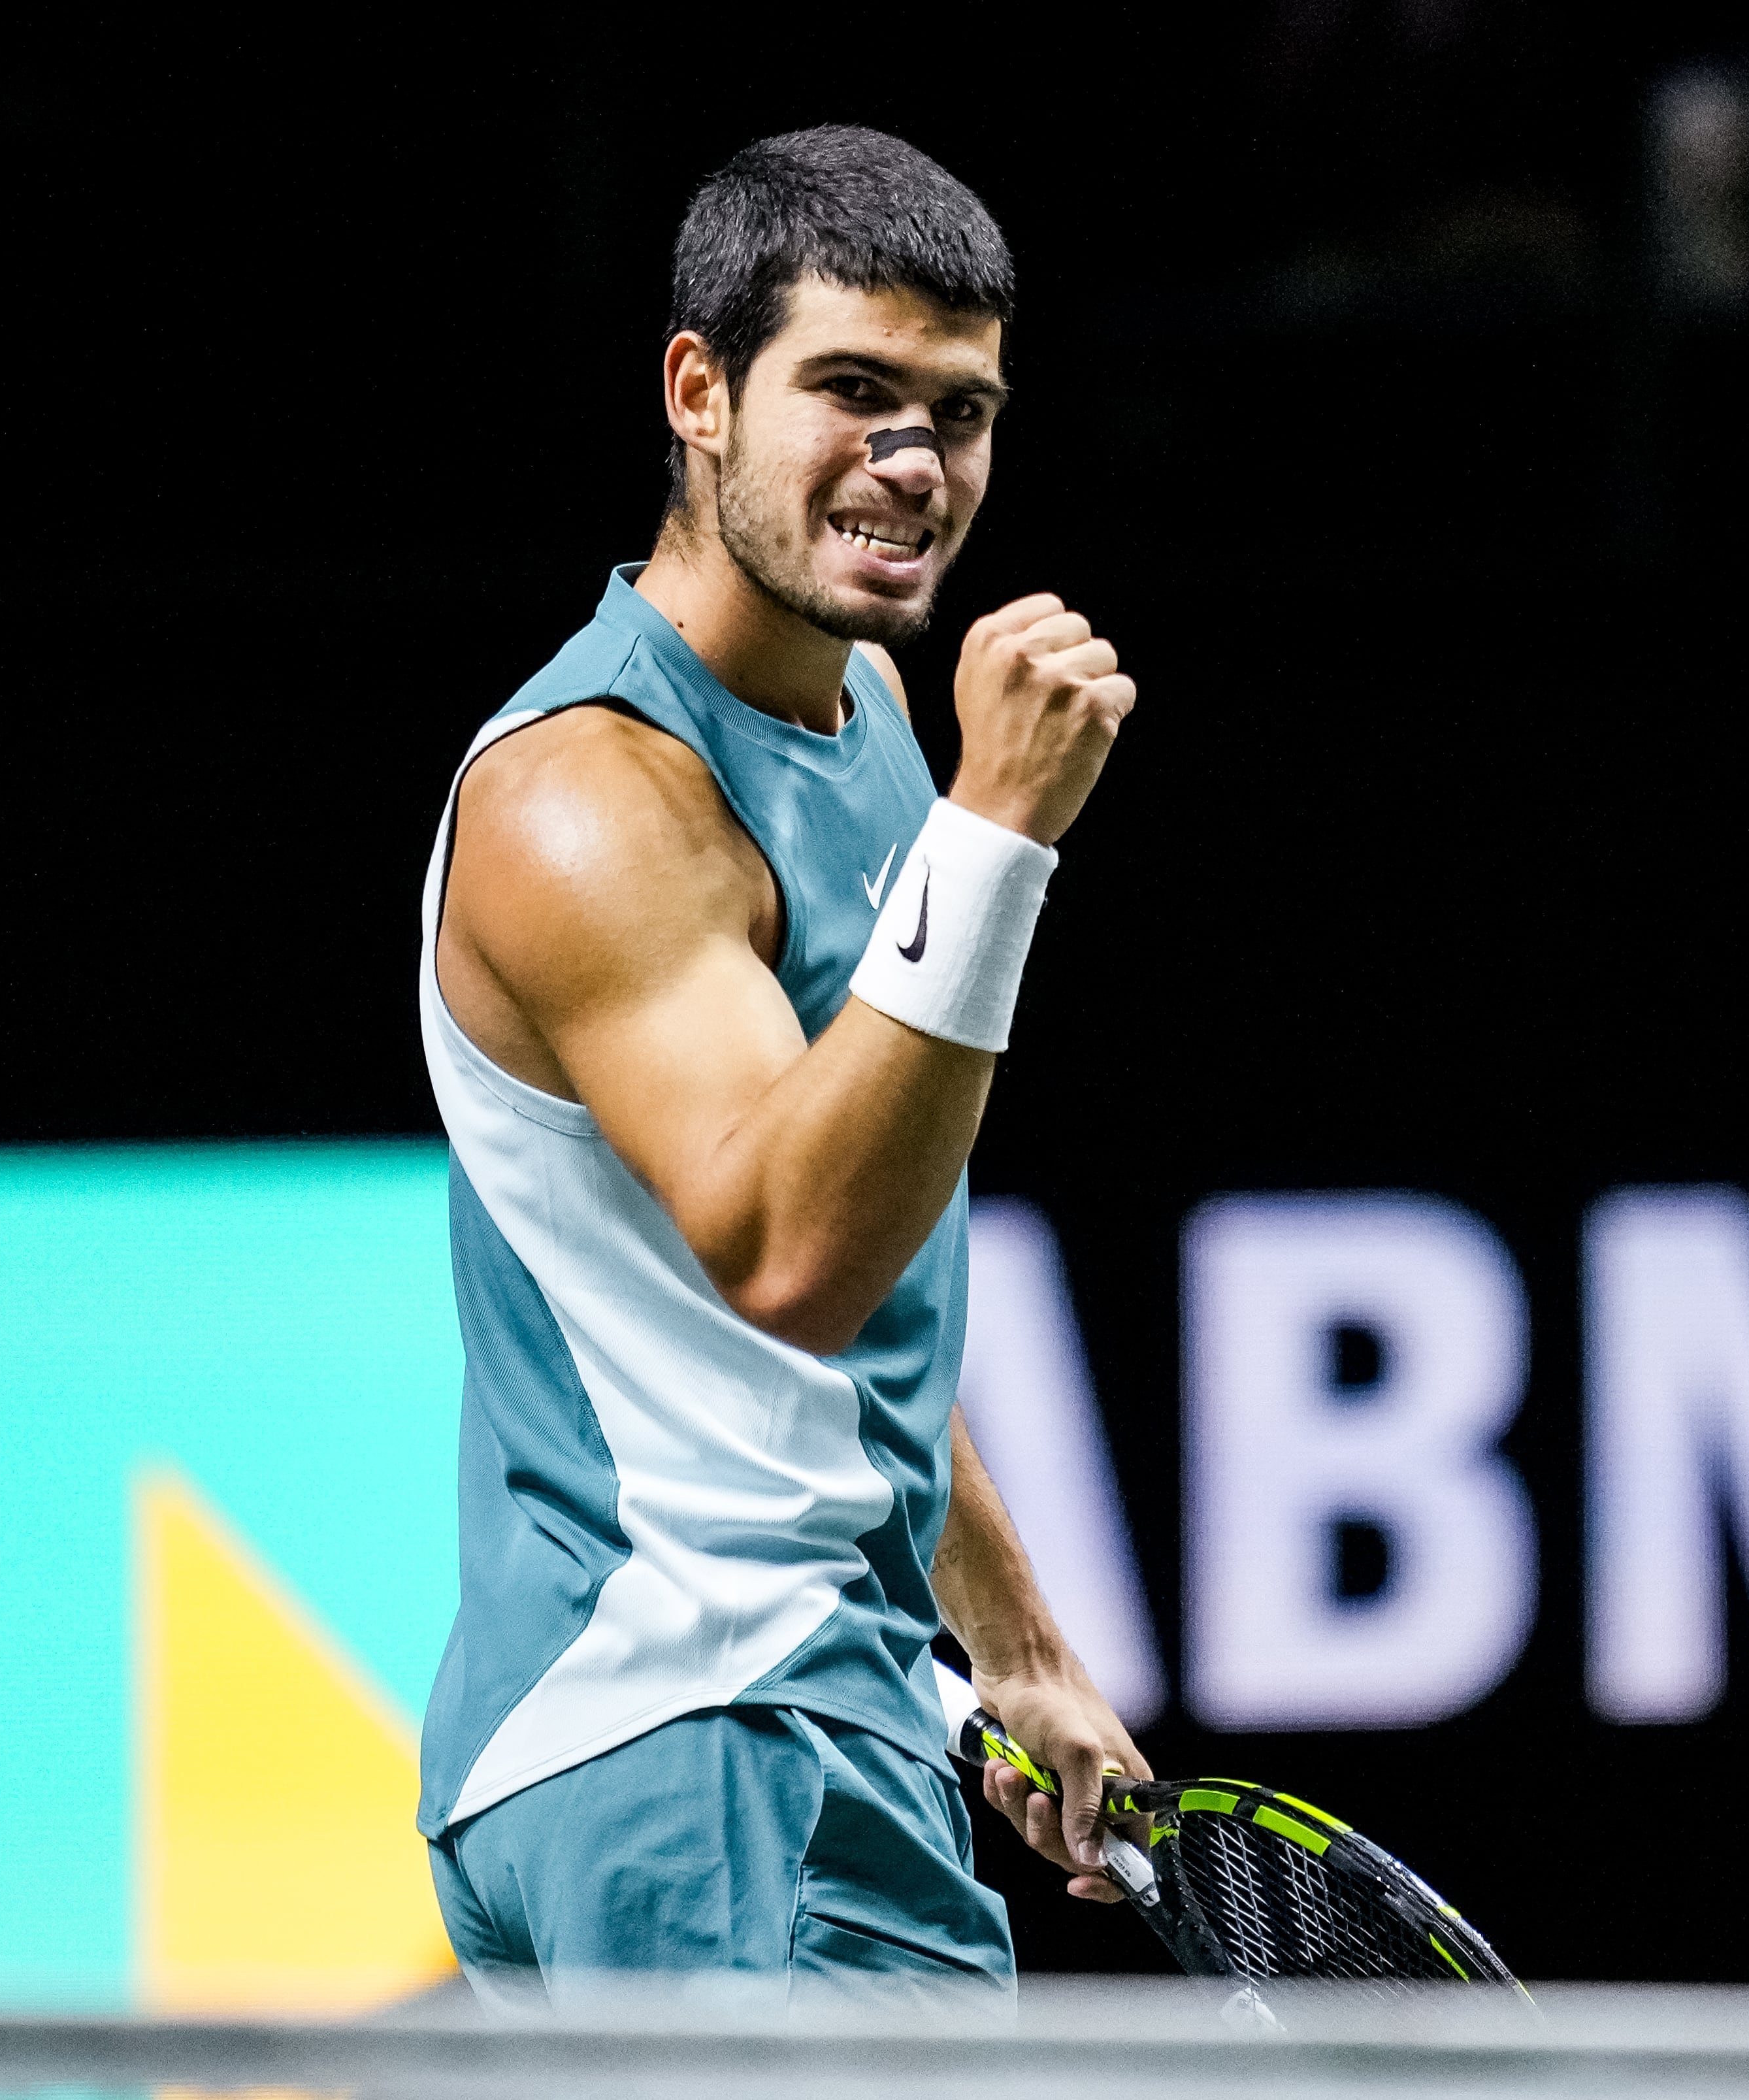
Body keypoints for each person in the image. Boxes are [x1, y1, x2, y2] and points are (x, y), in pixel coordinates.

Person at [410, 125, 1143, 2003]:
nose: (913, 465)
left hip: (754, 1738)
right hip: (721, 1739)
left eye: (959, 412)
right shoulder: (592, 801)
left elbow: (875, 1256)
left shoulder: (866, 710)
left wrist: (1017, 1641)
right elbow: (791, 1255)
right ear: (700, 392)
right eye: (854, 393)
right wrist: (994, 841)